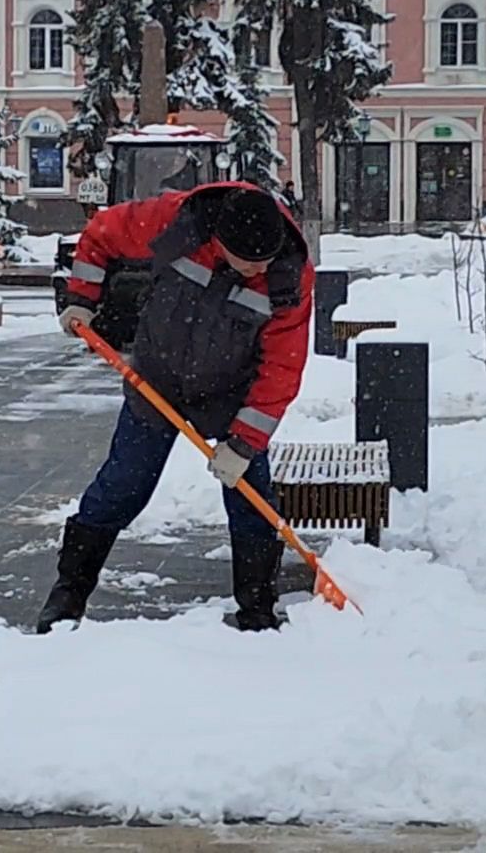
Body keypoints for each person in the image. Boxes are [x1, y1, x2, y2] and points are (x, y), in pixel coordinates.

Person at [43, 183, 313, 633]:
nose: (259, 269)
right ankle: (68, 592)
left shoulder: (288, 277)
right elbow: (100, 233)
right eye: (250, 262)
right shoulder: (177, 223)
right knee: (124, 484)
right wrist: (81, 300)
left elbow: (283, 366)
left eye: (265, 260)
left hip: (232, 392)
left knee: (249, 496)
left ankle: (258, 608)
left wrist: (244, 444)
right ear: (220, 243)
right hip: (158, 380)